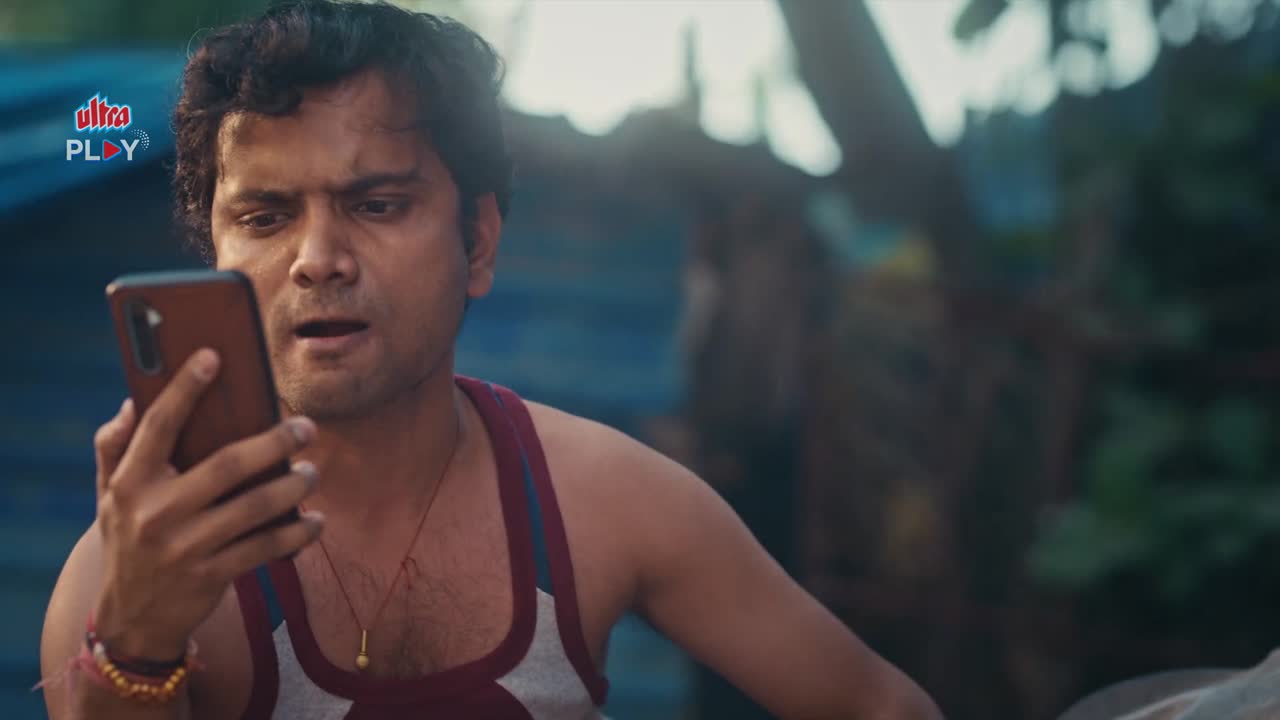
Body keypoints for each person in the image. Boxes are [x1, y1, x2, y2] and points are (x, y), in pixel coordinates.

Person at [39, 1, 943, 718]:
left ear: (477, 242)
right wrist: (136, 650)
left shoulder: (604, 499)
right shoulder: (127, 579)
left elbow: (881, 706)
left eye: (377, 205)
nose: (317, 259)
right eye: (266, 217)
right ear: (216, 259)